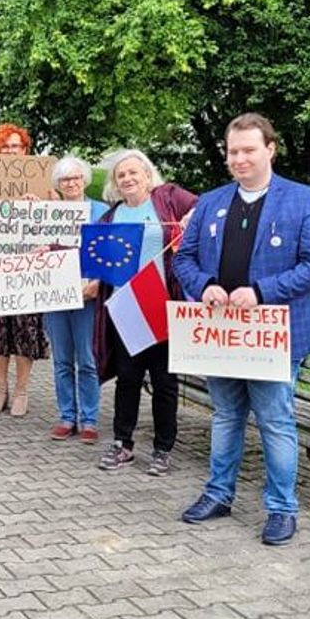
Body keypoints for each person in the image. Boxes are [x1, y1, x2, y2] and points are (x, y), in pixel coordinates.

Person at [173, 113, 310, 546]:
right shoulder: (210, 201)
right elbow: (182, 259)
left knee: (275, 421)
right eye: (233, 151)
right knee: (225, 415)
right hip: (222, 335)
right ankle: (219, 493)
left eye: (248, 150)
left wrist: (262, 292)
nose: (239, 159)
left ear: (270, 149)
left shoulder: (303, 200)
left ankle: (282, 509)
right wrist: (204, 286)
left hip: (274, 335)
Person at [91, 150, 197, 474]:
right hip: (127, 309)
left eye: (134, 172)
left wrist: (192, 217)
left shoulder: (168, 198)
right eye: (121, 175)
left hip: (164, 305)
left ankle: (163, 449)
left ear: (148, 176)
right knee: (127, 379)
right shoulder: (111, 217)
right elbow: (90, 252)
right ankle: (123, 443)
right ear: (115, 184)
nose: (128, 179)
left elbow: (207, 207)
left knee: (165, 382)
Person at [0, 123, 49, 417]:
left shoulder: (40, 183)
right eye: (4, 146)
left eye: (16, 146)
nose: (10, 151)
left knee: (25, 330)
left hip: (27, 268)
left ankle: (22, 391)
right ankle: (0, 389)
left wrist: (38, 206)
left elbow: (56, 220)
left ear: (25, 150)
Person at [43, 157, 109, 444]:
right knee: (62, 360)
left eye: (75, 178)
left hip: (88, 296)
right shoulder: (48, 213)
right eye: (65, 180)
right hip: (56, 295)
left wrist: (98, 282)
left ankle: (90, 419)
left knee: (88, 359)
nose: (71, 183)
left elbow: (109, 251)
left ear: (85, 179)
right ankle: (67, 416)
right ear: (58, 185)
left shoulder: (103, 211)